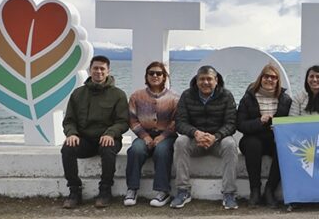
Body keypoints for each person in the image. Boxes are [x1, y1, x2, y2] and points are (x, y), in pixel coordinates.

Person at [61, 55, 129, 209]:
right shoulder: (78, 94)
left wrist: (111, 133)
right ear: (90, 70)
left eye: (102, 69)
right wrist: (71, 133)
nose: (98, 71)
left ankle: (105, 191)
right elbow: (69, 120)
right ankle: (74, 191)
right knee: (67, 148)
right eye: (95, 68)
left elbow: (123, 121)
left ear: (108, 71)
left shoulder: (118, 94)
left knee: (107, 149)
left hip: (109, 138)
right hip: (85, 140)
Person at [172, 65, 239, 210]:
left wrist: (215, 137)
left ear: (216, 80)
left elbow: (231, 123)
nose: (206, 82)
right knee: (180, 141)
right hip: (195, 140)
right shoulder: (187, 95)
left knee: (230, 144)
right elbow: (180, 122)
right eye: (202, 79)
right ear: (196, 81)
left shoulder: (226, 96)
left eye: (209, 79)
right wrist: (195, 133)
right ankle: (183, 191)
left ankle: (229, 193)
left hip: (217, 141)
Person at [123, 62, 179, 207]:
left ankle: (163, 191)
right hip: (144, 134)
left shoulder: (174, 98)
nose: (155, 76)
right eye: (151, 73)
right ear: (146, 76)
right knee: (135, 150)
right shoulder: (136, 96)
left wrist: (163, 136)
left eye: (159, 73)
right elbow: (133, 120)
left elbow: (176, 121)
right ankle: (132, 189)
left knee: (161, 151)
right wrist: (145, 137)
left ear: (164, 76)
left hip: (166, 136)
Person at [237, 64, 292, 207]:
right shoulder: (248, 97)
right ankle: (254, 190)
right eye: (266, 76)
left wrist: (279, 127)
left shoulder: (285, 99)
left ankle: (270, 190)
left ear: (278, 80)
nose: (269, 79)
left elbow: (290, 123)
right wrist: (258, 121)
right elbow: (240, 124)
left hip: (274, 138)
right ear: (260, 78)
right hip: (252, 138)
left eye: (273, 77)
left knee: (284, 148)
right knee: (252, 144)